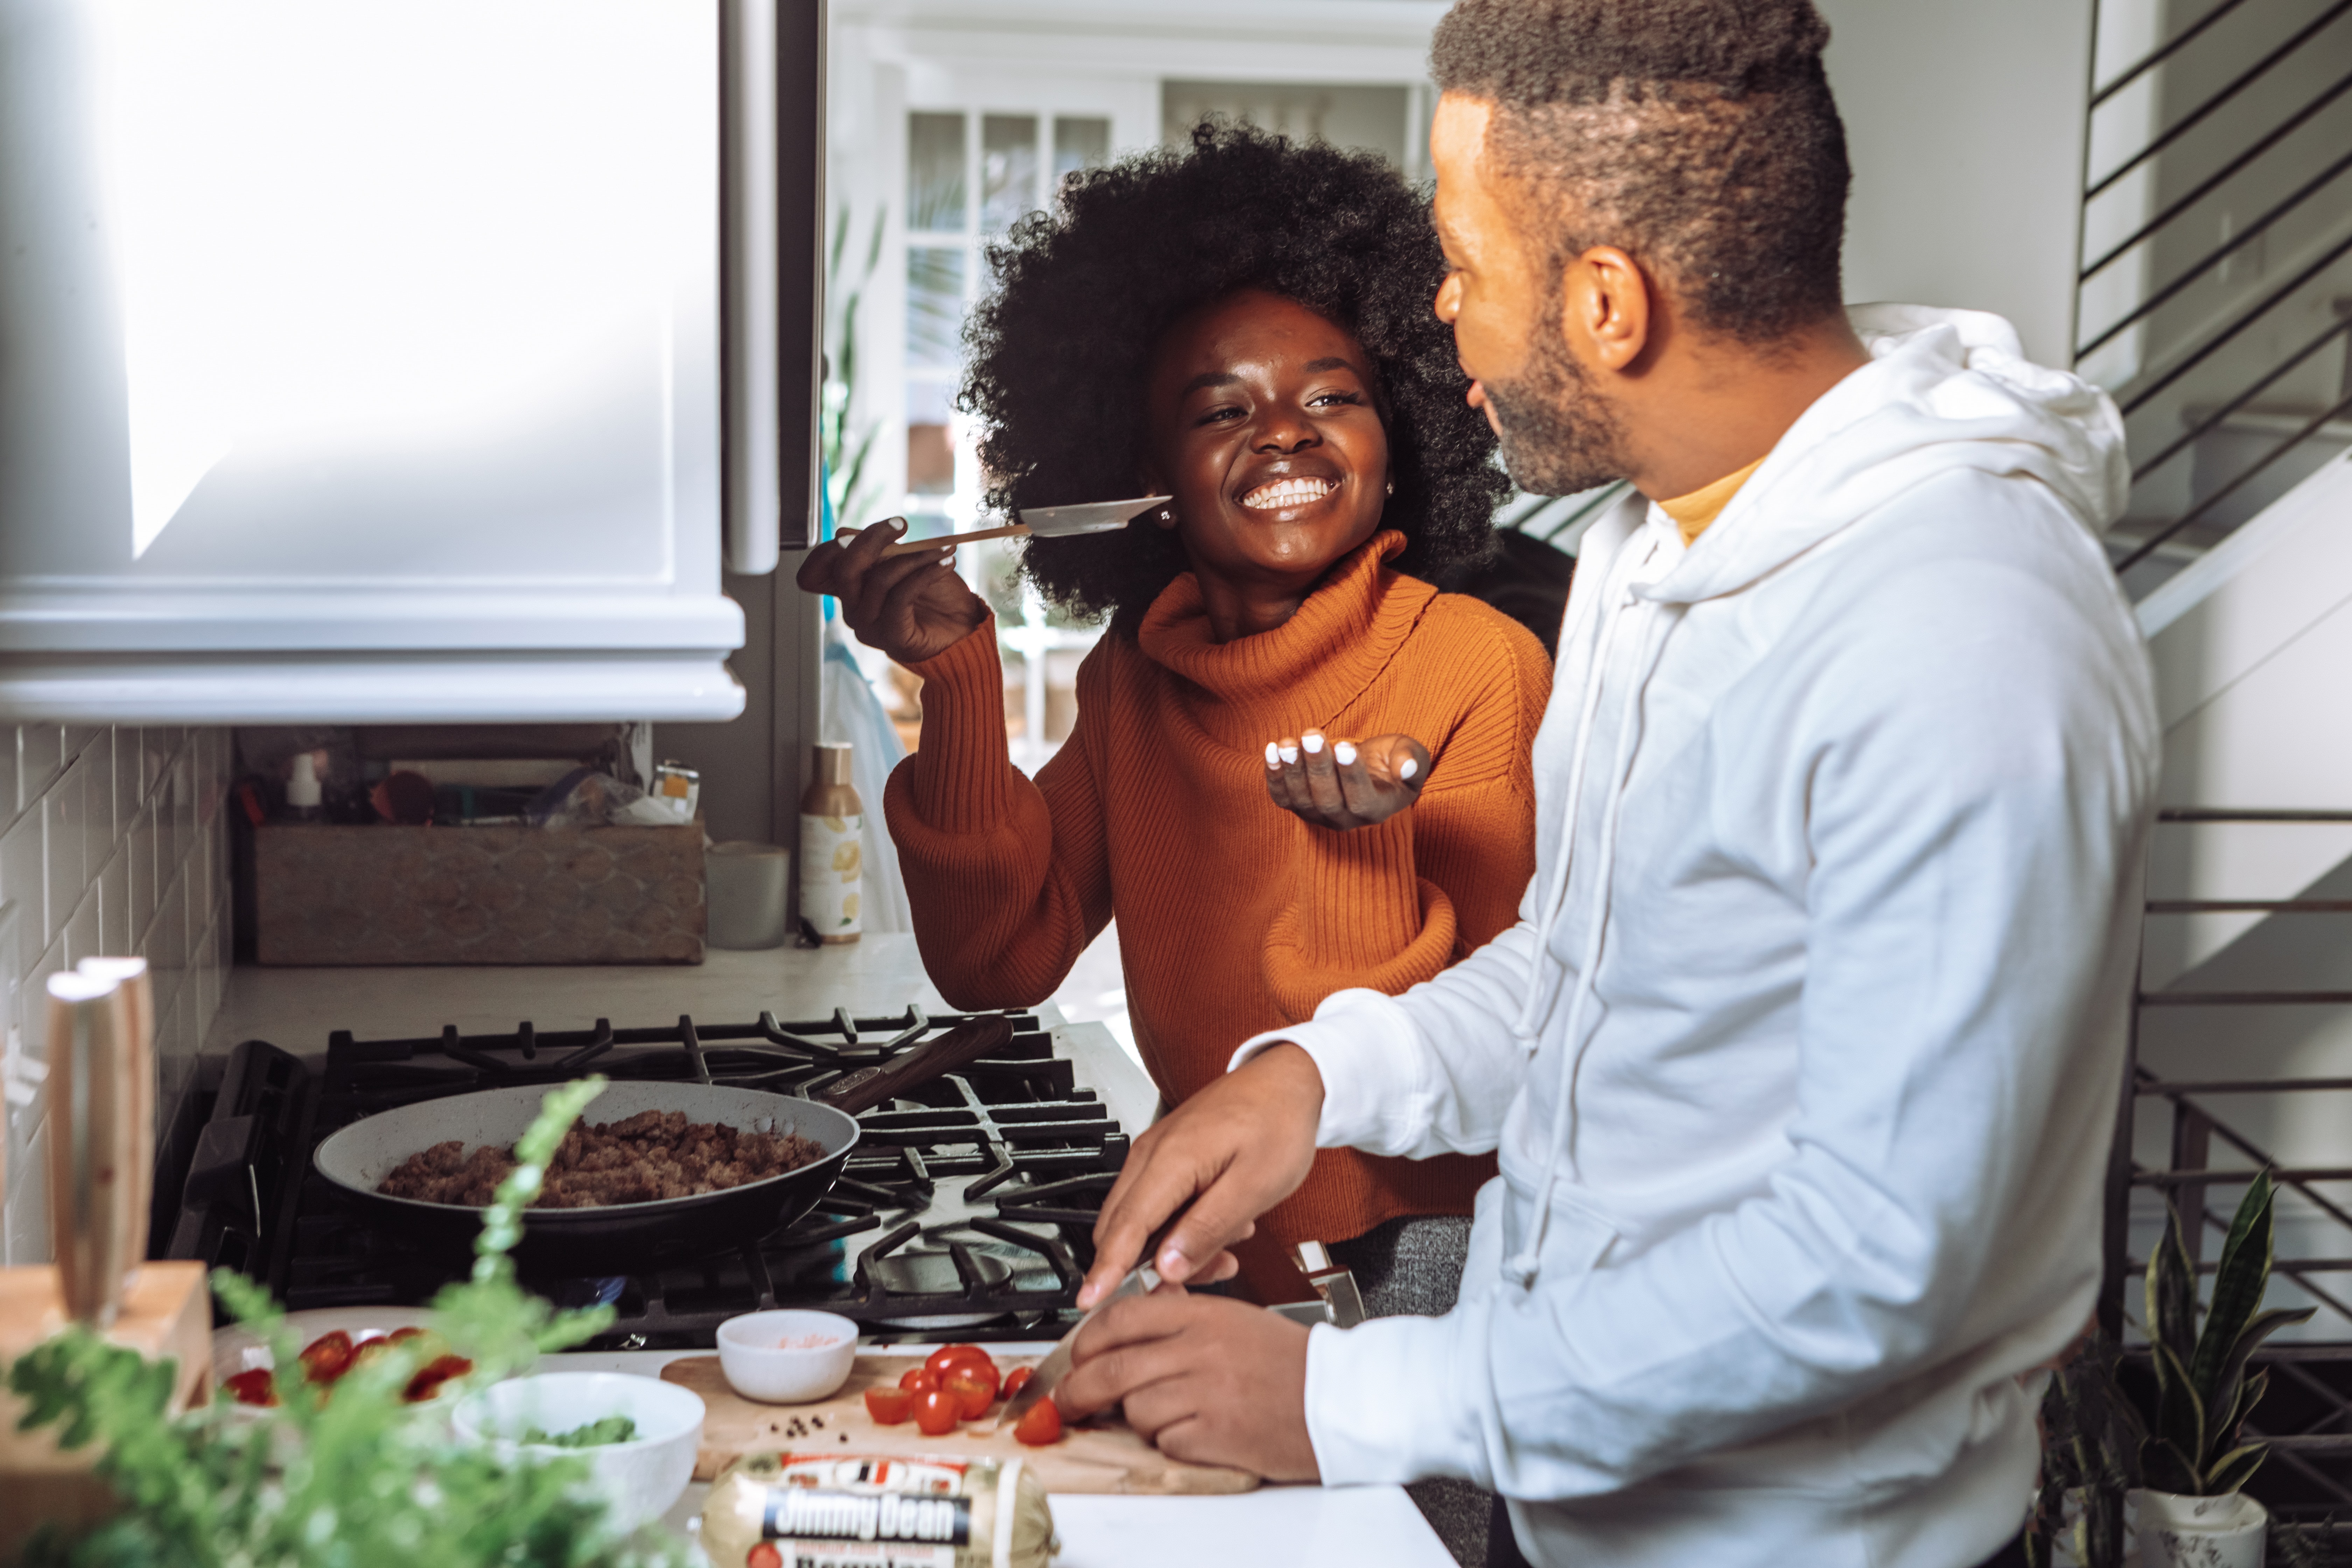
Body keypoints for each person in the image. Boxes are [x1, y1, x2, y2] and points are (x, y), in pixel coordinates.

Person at [1055, 4, 2160, 1566]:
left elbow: (1873, 1263)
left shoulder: (1963, 635)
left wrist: (1350, 1398)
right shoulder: (1659, 547)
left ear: (1606, 303)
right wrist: (1317, 1078)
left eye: (1465, 261)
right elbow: (1603, 972)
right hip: (1571, 1504)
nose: (1439, 316)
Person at [797, 124, 1552, 1307]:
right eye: (1220, 411)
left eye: (1332, 396)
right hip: (1206, 1257)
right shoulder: (1135, 679)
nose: (1285, 429)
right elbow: (998, 962)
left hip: (1420, 1284)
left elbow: (1511, 1049)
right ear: (1143, 481)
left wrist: (1356, 849)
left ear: (1399, 443)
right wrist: (956, 683)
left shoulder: (1480, 667)